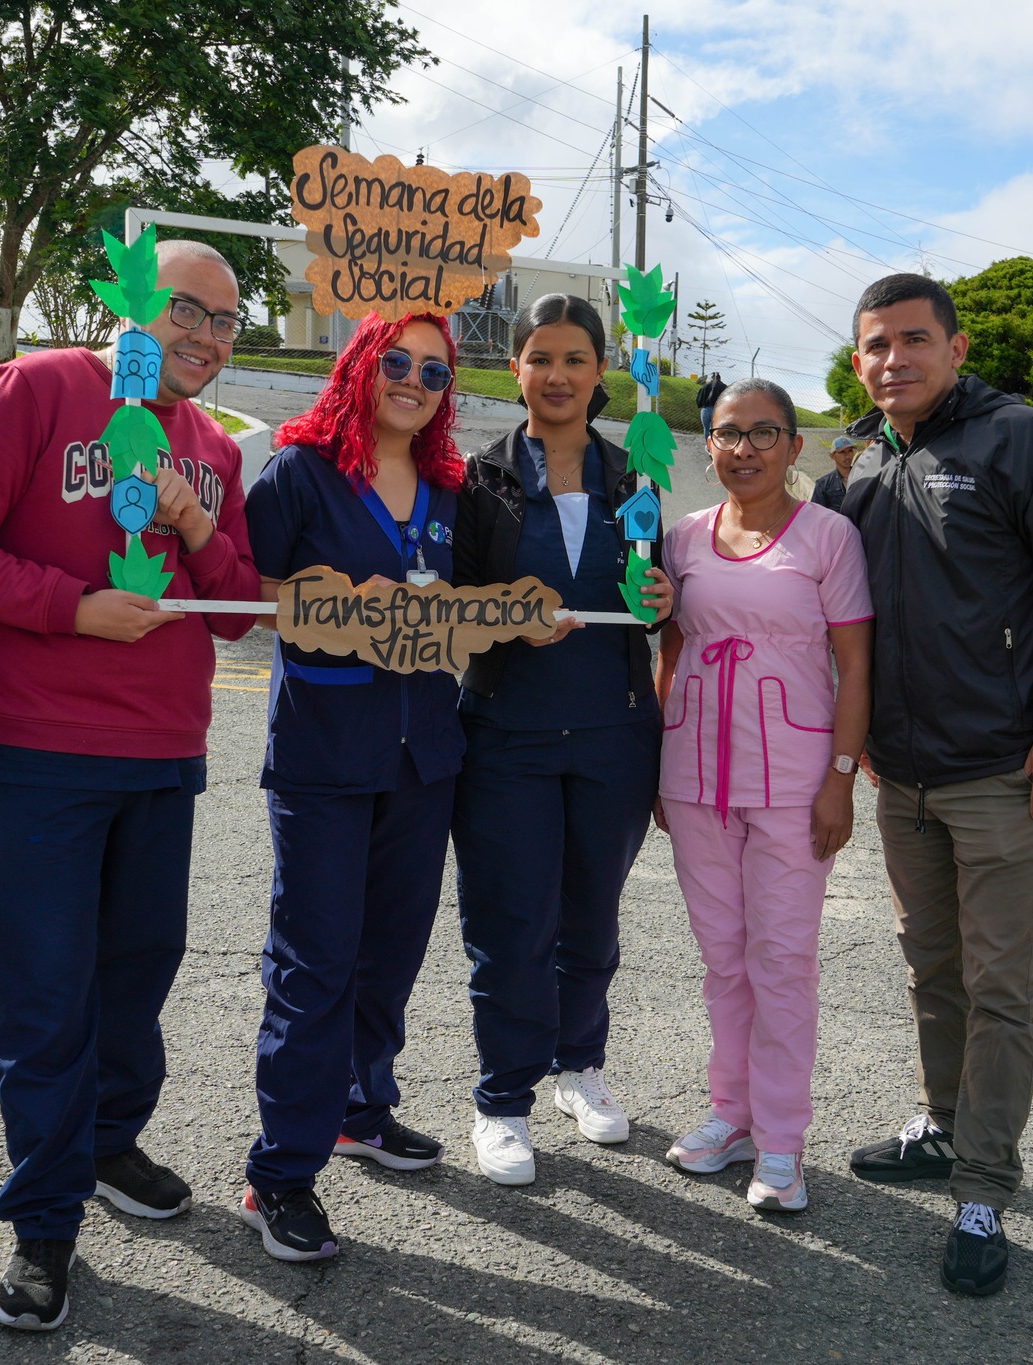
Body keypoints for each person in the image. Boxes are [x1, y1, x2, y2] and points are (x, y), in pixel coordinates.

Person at [0, 240, 260, 1330]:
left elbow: (242, 608)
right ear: (130, 306)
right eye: (187, 312)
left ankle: (109, 1142)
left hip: (164, 752)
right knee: (42, 989)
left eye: (227, 322)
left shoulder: (213, 445)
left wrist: (198, 524)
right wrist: (72, 607)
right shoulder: (38, 388)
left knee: (134, 975)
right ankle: (44, 1220)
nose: (206, 337)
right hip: (44, 751)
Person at [837, 273, 1033, 1296]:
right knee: (931, 967)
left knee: (999, 985)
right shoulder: (859, 460)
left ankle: (982, 1188)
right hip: (900, 774)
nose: (891, 361)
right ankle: (940, 1127)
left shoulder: (1018, 440)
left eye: (912, 341)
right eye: (874, 345)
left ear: (955, 349)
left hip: (1003, 770)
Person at [239, 313, 467, 1262]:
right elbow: (242, 591)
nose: (414, 380)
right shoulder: (300, 473)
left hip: (424, 760)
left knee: (390, 953)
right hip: (327, 757)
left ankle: (360, 1107)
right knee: (315, 961)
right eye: (397, 361)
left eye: (435, 371)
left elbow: (487, 600)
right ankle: (280, 1174)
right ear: (361, 365)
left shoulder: (453, 489)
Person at [451, 294, 674, 1186]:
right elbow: (454, 607)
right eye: (540, 358)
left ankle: (579, 1066)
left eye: (576, 359)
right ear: (518, 369)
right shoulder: (482, 479)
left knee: (591, 915)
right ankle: (502, 1100)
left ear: (601, 371)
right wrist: (506, 617)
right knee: (510, 922)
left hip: (615, 733)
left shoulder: (639, 478)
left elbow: (664, 596)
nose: (557, 376)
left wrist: (666, 600)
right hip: (507, 733)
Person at [654, 378, 873, 1216]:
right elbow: (670, 654)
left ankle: (781, 1139)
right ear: (705, 444)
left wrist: (841, 779)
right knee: (722, 959)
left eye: (763, 433)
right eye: (727, 434)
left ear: (794, 447)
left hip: (793, 781)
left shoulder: (829, 536)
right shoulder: (680, 538)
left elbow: (856, 667)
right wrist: (659, 764)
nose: (743, 449)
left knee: (782, 962)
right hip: (695, 778)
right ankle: (731, 1114)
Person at [808, 435, 862, 513]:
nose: (847, 456)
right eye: (842, 452)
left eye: (850, 451)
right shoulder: (823, 484)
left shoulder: (863, 478)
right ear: (832, 456)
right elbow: (816, 514)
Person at [694, 370, 727, 438]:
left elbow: (699, 400)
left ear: (711, 378)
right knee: (716, 429)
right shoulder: (724, 387)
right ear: (719, 378)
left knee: (706, 429)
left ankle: (708, 446)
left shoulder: (705, 386)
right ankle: (715, 446)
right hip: (718, 410)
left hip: (706, 409)